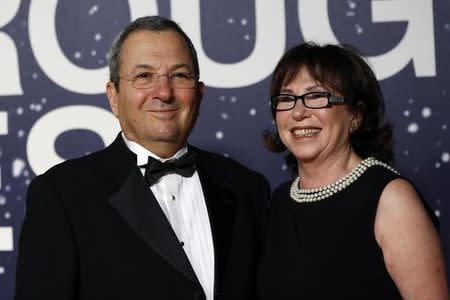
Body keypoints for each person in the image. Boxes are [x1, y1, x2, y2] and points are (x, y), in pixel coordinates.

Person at [15, 16, 270, 300]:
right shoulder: (61, 195)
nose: (163, 92)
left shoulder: (248, 188)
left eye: (179, 75)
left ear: (199, 94)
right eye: (144, 76)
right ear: (114, 96)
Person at [257, 42, 449, 299]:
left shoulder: (391, 199)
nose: (298, 112)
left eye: (317, 96)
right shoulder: (279, 201)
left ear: (355, 115)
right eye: (286, 98)